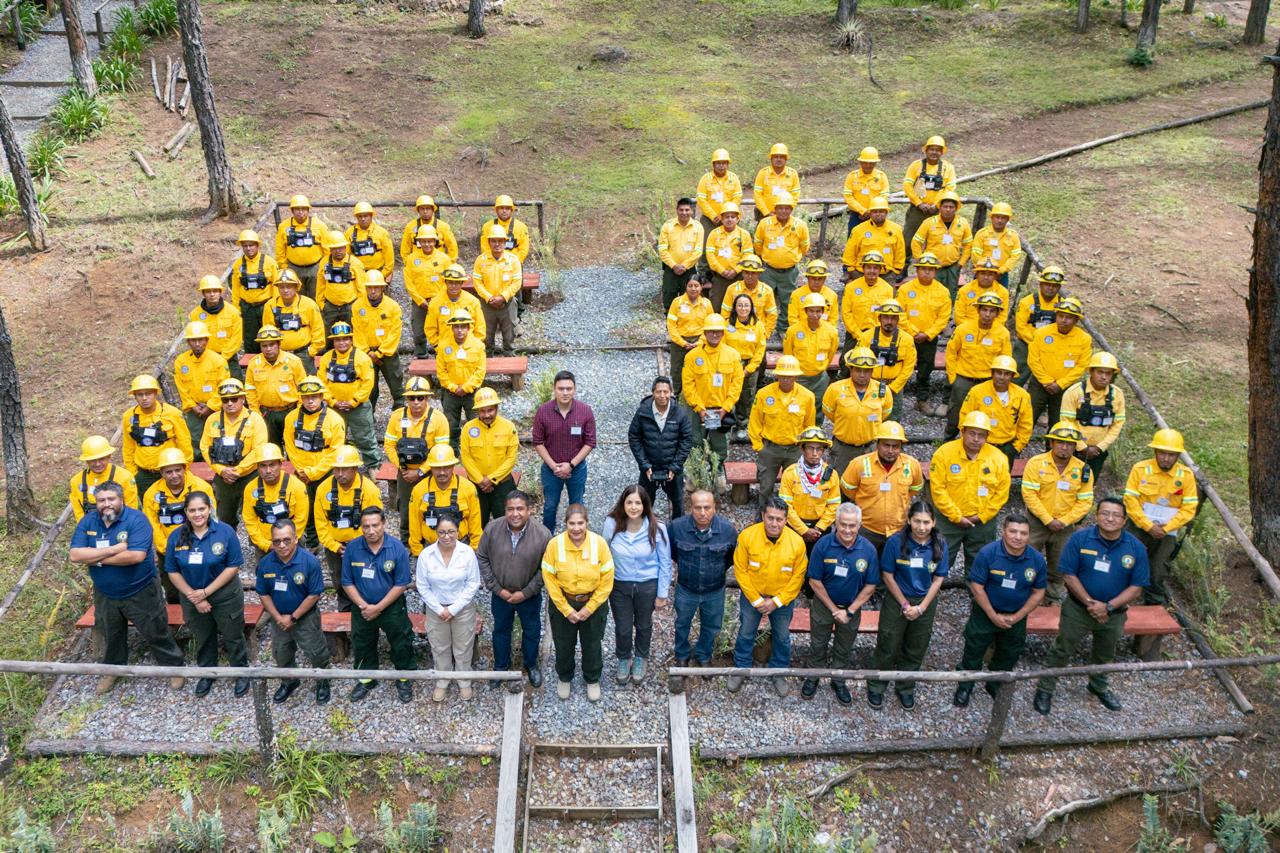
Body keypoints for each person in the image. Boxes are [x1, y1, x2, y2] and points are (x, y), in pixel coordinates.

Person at [1033, 498, 1150, 714]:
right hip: (1078, 609)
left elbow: (1137, 587)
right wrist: (1091, 604)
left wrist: (1108, 607)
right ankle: (1045, 688)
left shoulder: (1135, 547)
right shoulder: (1080, 538)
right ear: (1097, 516)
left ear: (1124, 520)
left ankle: (1098, 686)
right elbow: (1068, 574)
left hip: (1114, 614)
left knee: (1105, 652)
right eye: (1105, 513)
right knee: (1062, 649)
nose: (1110, 518)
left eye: (1116, 515)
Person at [68, 481, 186, 696]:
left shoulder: (137, 520)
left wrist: (94, 558)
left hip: (140, 590)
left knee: (155, 630)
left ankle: (174, 667)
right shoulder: (89, 521)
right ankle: (113, 670)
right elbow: (75, 554)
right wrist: (114, 550)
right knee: (111, 632)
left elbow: (135, 556)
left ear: (121, 499)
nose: (106, 504)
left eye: (111, 499)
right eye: (101, 500)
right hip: (105, 592)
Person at [952, 514, 1046, 707]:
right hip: (985, 613)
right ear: (1003, 531)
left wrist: (1017, 616)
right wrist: (992, 615)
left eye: (1023, 533)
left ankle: (995, 684)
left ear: (1029, 535)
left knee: (1009, 652)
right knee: (974, 650)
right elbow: (977, 587)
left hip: (1016, 616)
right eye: (1013, 531)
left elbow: (1038, 592)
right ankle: (965, 685)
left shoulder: (1036, 559)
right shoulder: (988, 553)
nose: (1018, 537)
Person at [164, 492, 249, 698]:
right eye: (192, 510)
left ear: (209, 509)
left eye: (201, 509)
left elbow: (233, 566)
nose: (197, 514)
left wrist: (205, 593)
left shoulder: (225, 532)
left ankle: (241, 672)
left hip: (225, 595)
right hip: (191, 596)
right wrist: (194, 596)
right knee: (203, 636)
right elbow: (172, 571)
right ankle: (207, 672)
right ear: (186, 512)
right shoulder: (176, 536)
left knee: (233, 635)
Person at [867, 501, 948, 708]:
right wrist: (904, 604)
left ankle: (906, 686)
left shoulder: (940, 543)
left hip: (925, 601)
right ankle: (877, 685)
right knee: (888, 642)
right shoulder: (895, 542)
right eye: (917, 521)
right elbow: (887, 575)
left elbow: (938, 578)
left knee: (916, 645)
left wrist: (921, 608)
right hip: (897, 599)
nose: (922, 527)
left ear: (934, 522)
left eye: (926, 522)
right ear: (909, 520)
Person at [727, 498, 807, 696]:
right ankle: (741, 668)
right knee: (746, 633)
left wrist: (777, 601)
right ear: (763, 516)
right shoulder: (747, 537)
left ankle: (778, 671)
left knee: (782, 636)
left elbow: (798, 577)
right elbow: (740, 570)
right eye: (770, 518)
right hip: (752, 597)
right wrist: (756, 600)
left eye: (779, 519)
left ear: (786, 520)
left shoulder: (797, 543)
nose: (774, 523)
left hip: (782, 600)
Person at [802, 503, 879, 704]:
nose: (847, 530)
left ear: (859, 525)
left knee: (844, 646)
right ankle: (814, 674)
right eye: (843, 524)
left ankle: (839, 678)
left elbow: (871, 585)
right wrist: (834, 609)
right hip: (824, 606)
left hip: (852, 608)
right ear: (836, 523)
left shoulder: (868, 550)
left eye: (852, 525)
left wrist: (850, 611)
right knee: (818, 643)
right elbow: (814, 581)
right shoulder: (823, 545)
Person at [478, 490, 553, 687]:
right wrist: (497, 589)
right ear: (505, 510)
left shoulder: (543, 534)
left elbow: (546, 567)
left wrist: (526, 592)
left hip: (529, 595)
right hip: (500, 594)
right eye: (510, 509)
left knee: (532, 630)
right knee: (501, 630)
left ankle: (531, 665)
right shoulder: (492, 529)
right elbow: (482, 557)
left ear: (530, 510)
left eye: (520, 509)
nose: (515, 514)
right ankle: (500, 667)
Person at [340, 506, 415, 703]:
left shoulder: (397, 548)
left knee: (401, 641)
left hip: (391, 607)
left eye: (375, 525)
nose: (371, 530)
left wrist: (378, 608)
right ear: (361, 527)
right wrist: (364, 606)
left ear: (384, 524)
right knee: (362, 642)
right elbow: (347, 582)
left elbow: (401, 583)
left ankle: (404, 678)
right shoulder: (352, 549)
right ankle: (366, 679)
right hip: (362, 608)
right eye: (366, 526)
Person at [541, 503, 615, 701]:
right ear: (565, 523)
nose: (576, 528)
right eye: (571, 523)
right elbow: (549, 579)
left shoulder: (599, 544)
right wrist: (566, 609)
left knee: (592, 642)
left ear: (587, 523)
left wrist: (589, 609)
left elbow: (607, 579)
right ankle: (565, 677)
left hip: (593, 601)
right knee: (563, 642)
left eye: (580, 523)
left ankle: (592, 678)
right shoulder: (554, 545)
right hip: (564, 601)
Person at [257, 519, 332, 704]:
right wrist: (278, 618)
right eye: (277, 541)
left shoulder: (310, 562)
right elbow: (263, 594)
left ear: (296, 539)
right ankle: (289, 681)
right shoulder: (265, 564)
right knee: (280, 653)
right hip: (279, 618)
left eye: (286, 540)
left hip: (305, 618)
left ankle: (323, 681)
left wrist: (293, 617)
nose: (282, 545)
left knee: (316, 652)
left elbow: (314, 594)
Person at [602, 486, 671, 685]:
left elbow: (665, 562)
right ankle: (624, 658)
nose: (633, 507)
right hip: (619, 586)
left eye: (638, 503)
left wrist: (662, 594)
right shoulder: (611, 523)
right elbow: (603, 552)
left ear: (645, 505)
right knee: (623, 627)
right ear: (623, 504)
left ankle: (641, 656)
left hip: (647, 586)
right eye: (629, 502)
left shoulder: (657, 528)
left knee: (643, 624)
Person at [1123, 429, 1199, 604]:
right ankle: (1119, 595)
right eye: (1162, 453)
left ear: (1178, 455)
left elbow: (1189, 508)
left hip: (1168, 530)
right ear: (1155, 452)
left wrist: (1166, 528)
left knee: (1159, 567)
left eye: (1171, 455)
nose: (1166, 458)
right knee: (1126, 559)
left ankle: (1153, 602)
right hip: (1139, 525)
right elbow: (1130, 500)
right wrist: (1148, 526)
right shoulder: (1140, 469)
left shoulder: (1186, 476)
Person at [929, 410, 1011, 572]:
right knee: (938, 560)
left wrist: (981, 516)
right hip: (948, 520)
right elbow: (938, 489)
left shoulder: (998, 458)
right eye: (972, 433)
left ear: (987, 436)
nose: (976, 439)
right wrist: (956, 516)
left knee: (979, 565)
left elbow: (1001, 493)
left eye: (981, 435)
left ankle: (975, 590)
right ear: (962, 432)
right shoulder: (944, 454)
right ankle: (931, 589)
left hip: (982, 523)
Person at [1022, 422, 1094, 603]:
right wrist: (1047, 519)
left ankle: (1051, 598)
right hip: (1037, 522)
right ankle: (1024, 595)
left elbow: (1085, 501)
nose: (1064, 447)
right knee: (1027, 559)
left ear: (1075, 446)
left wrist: (1064, 521)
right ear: (1051, 443)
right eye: (1060, 442)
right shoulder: (1035, 463)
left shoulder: (1083, 470)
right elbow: (1029, 494)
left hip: (1064, 526)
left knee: (1059, 565)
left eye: (1069, 444)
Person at [416, 509, 481, 702]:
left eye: (451, 532)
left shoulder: (467, 553)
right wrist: (439, 609)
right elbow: (422, 585)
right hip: (435, 609)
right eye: (442, 532)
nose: (446, 536)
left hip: (462, 608)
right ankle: (442, 679)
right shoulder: (426, 555)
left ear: (458, 531)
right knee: (439, 646)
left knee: (463, 646)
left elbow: (473, 583)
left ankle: (464, 680)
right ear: (436, 532)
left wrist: (453, 609)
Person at [669, 490, 737, 671]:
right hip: (686, 589)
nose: (702, 512)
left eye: (707, 507)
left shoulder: (728, 531)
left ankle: (703, 655)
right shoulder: (676, 528)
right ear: (691, 508)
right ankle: (682, 655)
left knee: (712, 626)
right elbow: (673, 553)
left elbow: (731, 558)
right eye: (697, 508)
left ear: (715, 507)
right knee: (682, 624)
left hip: (714, 590)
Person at [315, 445, 383, 612]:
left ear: (355, 468)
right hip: (335, 548)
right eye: (336, 469)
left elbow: (375, 524)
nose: (340, 474)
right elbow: (321, 523)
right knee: (339, 580)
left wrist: (357, 546)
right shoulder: (323, 489)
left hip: (364, 546)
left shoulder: (369, 490)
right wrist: (334, 546)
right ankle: (345, 611)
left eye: (344, 469)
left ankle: (367, 609)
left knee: (365, 577)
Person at [142, 447, 216, 599]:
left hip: (200, 546)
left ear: (185, 468)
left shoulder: (202, 487)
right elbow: (151, 525)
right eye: (168, 472)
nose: (174, 475)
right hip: (168, 550)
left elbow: (212, 518)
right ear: (161, 473)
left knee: (204, 584)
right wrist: (166, 548)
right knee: (172, 590)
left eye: (177, 470)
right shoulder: (151, 494)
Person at [839, 421, 924, 552]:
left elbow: (915, 489)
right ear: (877, 444)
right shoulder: (858, 464)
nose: (890, 451)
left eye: (895, 446)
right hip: (866, 530)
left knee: (893, 564)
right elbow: (848, 489)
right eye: (886, 445)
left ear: (901, 446)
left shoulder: (912, 465)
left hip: (898, 530)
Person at [384, 376, 450, 540]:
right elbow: (389, 445)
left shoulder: (439, 419)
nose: (416, 402)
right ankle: (407, 541)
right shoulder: (397, 417)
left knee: (431, 507)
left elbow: (441, 451)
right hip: (405, 473)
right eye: (412, 398)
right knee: (406, 509)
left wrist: (420, 471)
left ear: (427, 398)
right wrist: (402, 468)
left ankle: (431, 539)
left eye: (420, 398)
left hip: (430, 473)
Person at [682, 314, 743, 491]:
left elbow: (736, 384)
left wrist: (726, 408)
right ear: (705, 333)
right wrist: (699, 408)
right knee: (695, 441)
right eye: (711, 331)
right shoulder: (692, 356)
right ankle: (695, 474)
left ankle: (718, 473)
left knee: (719, 444)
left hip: (721, 410)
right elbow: (688, 385)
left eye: (718, 331)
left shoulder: (733, 355)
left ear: (723, 333)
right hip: (697, 410)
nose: (714, 334)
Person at [283, 377, 346, 550]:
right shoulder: (291, 418)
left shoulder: (334, 420)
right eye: (306, 397)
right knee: (305, 508)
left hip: (325, 473)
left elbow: (335, 451)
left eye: (314, 396)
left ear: (322, 397)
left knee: (328, 506)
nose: (310, 401)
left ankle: (333, 540)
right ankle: (311, 542)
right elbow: (289, 445)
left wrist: (314, 472)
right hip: (301, 474)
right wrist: (301, 470)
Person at [533, 370, 597, 531]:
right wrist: (554, 466)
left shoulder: (585, 411)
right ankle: (547, 539)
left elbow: (590, 442)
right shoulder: (543, 411)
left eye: (569, 388)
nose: (565, 392)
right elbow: (538, 442)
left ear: (575, 389)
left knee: (577, 506)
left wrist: (571, 465)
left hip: (577, 469)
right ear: (554, 389)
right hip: (550, 469)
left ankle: (577, 536)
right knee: (549, 506)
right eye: (561, 388)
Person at [748, 354, 815, 506]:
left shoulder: (807, 396)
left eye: (790, 376)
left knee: (795, 487)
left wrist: (805, 448)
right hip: (770, 449)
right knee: (765, 487)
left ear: (796, 376)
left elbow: (809, 426)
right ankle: (762, 516)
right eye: (782, 376)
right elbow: (755, 422)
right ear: (777, 375)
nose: (786, 379)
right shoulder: (764, 394)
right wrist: (759, 447)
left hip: (795, 450)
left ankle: (791, 517)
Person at [944, 292, 1012, 439]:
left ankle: (982, 445)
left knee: (984, 416)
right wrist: (953, 378)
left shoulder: (1003, 334)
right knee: (955, 415)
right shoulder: (963, 329)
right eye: (984, 310)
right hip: (963, 380)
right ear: (978, 310)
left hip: (987, 382)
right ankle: (948, 442)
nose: (987, 314)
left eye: (992, 311)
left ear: (997, 313)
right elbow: (951, 353)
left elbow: (1005, 360)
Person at [202, 378, 267, 526]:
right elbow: (205, 447)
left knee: (257, 516)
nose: (229, 403)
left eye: (234, 399)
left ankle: (256, 540)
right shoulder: (212, 419)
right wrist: (221, 470)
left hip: (250, 476)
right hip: (223, 477)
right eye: (225, 400)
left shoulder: (255, 419)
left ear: (243, 398)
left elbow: (259, 449)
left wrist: (238, 470)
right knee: (224, 518)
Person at [628, 376, 694, 519]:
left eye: (665, 392)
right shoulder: (642, 412)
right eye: (658, 392)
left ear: (671, 392)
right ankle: (644, 527)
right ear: (653, 392)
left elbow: (686, 440)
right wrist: (644, 464)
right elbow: (634, 437)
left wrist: (675, 466)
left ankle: (677, 529)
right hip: (649, 468)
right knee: (643, 503)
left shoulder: (680, 413)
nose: (662, 395)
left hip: (673, 468)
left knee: (678, 503)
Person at [315, 322, 379, 467]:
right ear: (333, 341)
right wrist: (332, 401)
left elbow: (368, 383)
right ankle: (335, 466)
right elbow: (321, 383)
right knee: (334, 437)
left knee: (365, 438)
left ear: (351, 340)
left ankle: (373, 466)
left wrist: (354, 401)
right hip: (334, 408)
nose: (342, 342)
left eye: (345, 339)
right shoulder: (326, 358)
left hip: (359, 407)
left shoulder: (362, 358)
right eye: (338, 339)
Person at [825, 348, 893, 479]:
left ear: (872, 371)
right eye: (858, 370)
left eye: (866, 371)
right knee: (838, 482)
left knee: (869, 483)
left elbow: (884, 414)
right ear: (851, 370)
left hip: (870, 449)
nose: (862, 374)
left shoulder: (884, 391)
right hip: (843, 450)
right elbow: (829, 413)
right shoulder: (835, 389)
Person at [121, 373, 192, 498]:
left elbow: (184, 442)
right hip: (144, 475)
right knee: (148, 505)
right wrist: (133, 472)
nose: (144, 398)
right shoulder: (128, 416)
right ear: (135, 396)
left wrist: (183, 469)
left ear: (155, 393)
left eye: (148, 393)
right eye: (140, 394)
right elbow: (128, 446)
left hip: (170, 472)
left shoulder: (172, 413)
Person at [897, 253, 953, 410]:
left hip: (929, 338)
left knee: (925, 369)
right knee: (898, 365)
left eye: (931, 269)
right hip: (906, 336)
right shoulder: (905, 289)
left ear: (935, 271)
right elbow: (899, 313)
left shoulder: (942, 291)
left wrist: (928, 334)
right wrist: (913, 332)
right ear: (917, 270)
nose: (927, 272)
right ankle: (894, 397)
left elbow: (943, 317)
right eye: (923, 269)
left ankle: (922, 399)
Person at [753, 190, 810, 342]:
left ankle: (783, 328)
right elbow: (758, 245)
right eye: (780, 208)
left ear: (791, 209)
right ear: (775, 209)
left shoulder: (800, 225)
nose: (783, 211)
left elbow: (804, 247)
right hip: (768, 270)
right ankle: (761, 328)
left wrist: (791, 258)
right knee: (763, 299)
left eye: (787, 208)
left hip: (789, 272)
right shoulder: (765, 224)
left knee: (787, 301)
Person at [1061, 351, 1126, 481]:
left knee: (1090, 483)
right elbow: (1066, 422)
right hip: (1072, 448)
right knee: (1067, 482)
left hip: (1098, 452)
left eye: (1108, 373)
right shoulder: (1074, 392)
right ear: (1091, 371)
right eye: (1100, 372)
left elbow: (1117, 425)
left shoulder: (1117, 395)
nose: (1104, 377)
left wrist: (1100, 447)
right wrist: (1081, 447)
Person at [1027, 296, 1092, 427]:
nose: (1063, 320)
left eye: (1069, 317)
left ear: (1076, 320)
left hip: (1065, 389)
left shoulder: (1084, 339)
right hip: (1039, 385)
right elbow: (1033, 360)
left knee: (1058, 424)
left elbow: (1082, 366)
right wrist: (1046, 381)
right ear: (1056, 316)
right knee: (1028, 419)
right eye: (1061, 316)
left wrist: (1061, 384)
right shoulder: (1042, 333)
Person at [957, 355, 1033, 465]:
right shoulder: (977, 392)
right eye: (999, 372)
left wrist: (1016, 447)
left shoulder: (1022, 396)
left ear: (1012, 376)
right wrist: (968, 442)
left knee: (1002, 475)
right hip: (980, 446)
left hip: (1007, 448)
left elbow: (1026, 425)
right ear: (992, 373)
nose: (1002, 377)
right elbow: (964, 417)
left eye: (1006, 374)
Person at [408, 444, 483, 555]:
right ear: (430, 467)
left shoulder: (468, 488)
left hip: (461, 546)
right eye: (437, 468)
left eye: (446, 467)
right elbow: (414, 524)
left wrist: (473, 551)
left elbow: (475, 523)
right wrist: (418, 553)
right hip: (430, 548)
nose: (442, 472)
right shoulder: (419, 490)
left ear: (453, 466)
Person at [461, 387, 520, 525]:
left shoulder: (509, 427)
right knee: (476, 523)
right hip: (477, 485)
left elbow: (511, 459)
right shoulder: (468, 429)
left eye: (490, 410)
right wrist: (480, 480)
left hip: (502, 485)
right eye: (482, 411)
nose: (486, 415)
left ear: (497, 408)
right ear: (477, 410)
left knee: (506, 522)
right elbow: (466, 457)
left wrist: (491, 479)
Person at [173, 321, 230, 462]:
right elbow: (181, 388)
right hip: (194, 411)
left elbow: (223, 386)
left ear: (207, 340)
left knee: (218, 438)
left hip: (215, 409)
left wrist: (210, 406)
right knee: (195, 440)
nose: (197, 344)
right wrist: (193, 406)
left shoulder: (218, 361)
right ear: (188, 342)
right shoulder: (181, 362)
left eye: (200, 340)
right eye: (193, 340)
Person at [778, 426, 841, 550]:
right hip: (794, 527)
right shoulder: (790, 473)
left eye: (819, 449)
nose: (815, 453)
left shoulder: (832, 475)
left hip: (821, 530)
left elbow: (834, 505)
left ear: (823, 451)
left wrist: (819, 528)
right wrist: (803, 530)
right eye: (810, 448)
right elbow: (785, 505)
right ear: (802, 448)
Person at [240, 443, 308, 556]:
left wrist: (285, 543)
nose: (268, 470)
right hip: (264, 540)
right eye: (263, 466)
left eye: (272, 465)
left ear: (280, 464)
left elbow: (301, 519)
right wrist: (265, 544)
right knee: (264, 566)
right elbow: (249, 520)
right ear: (257, 467)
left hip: (290, 539)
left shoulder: (297, 486)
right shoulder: (250, 488)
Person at [244, 326, 308, 445]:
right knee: (270, 448)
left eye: (271, 345)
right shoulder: (253, 364)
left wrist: (299, 411)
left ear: (279, 344)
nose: (268, 349)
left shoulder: (294, 361)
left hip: (290, 411)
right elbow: (250, 390)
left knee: (294, 445)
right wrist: (256, 412)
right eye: (264, 345)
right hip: (267, 414)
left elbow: (303, 388)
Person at [351, 270, 403, 411]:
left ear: (382, 288)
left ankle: (400, 415)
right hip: (366, 355)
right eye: (370, 287)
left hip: (388, 354)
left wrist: (379, 353)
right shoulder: (357, 306)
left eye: (376, 287)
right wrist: (367, 352)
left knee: (396, 386)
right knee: (369, 388)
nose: (373, 291)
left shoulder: (393, 307)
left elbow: (395, 333)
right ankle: (369, 417)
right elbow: (357, 332)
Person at [856, 300, 917, 420]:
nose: (889, 321)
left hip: (894, 387)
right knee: (867, 417)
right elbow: (857, 362)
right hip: (869, 385)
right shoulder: (866, 337)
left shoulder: (907, 340)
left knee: (892, 419)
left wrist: (893, 388)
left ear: (898, 320)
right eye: (886, 317)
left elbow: (908, 367)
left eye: (893, 318)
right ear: (879, 318)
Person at [783, 293, 838, 424]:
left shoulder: (831, 332)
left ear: (823, 312)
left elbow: (831, 354)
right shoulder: (793, 331)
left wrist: (821, 368)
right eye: (811, 311)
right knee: (796, 405)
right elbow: (788, 354)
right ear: (806, 311)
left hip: (820, 378)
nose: (815, 314)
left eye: (818, 311)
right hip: (799, 378)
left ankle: (816, 430)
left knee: (818, 405)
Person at [437, 310, 488, 450]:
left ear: (468, 328)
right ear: (452, 328)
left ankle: (475, 450)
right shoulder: (443, 346)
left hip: (471, 393)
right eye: (456, 327)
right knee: (450, 425)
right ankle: (453, 451)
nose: (460, 330)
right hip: (450, 393)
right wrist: (453, 388)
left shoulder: (478, 346)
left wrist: (466, 388)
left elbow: (480, 371)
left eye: (463, 327)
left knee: (476, 423)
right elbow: (441, 372)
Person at [901, 135, 957, 260]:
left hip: (938, 211)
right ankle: (904, 265)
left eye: (938, 150)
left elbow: (950, 188)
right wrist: (919, 203)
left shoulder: (948, 168)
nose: (934, 152)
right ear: (926, 150)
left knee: (936, 239)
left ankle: (934, 265)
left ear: (942, 152)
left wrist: (937, 205)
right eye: (932, 149)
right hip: (917, 210)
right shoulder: (915, 165)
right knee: (908, 238)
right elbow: (907, 185)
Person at [404, 225, 455, 357]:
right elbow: (409, 283)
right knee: (418, 331)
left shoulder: (444, 259)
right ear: (419, 242)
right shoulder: (411, 259)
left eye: (430, 241)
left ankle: (443, 354)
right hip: (419, 302)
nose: (427, 244)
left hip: (440, 301)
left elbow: (449, 281)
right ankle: (421, 355)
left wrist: (438, 299)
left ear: (435, 241)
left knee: (443, 328)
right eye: (424, 241)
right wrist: (420, 301)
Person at [910, 190, 972, 296]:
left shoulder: (963, 223)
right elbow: (916, 242)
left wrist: (960, 263)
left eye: (951, 207)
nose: (948, 209)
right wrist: (921, 262)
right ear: (940, 207)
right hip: (932, 266)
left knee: (950, 294)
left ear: (956, 208)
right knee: (931, 293)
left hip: (953, 267)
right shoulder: (929, 223)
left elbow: (968, 244)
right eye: (945, 206)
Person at [473, 223, 523, 354]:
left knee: (509, 333)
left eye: (500, 241)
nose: (497, 244)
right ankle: (487, 358)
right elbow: (477, 282)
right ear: (489, 242)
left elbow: (517, 282)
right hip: (487, 304)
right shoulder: (481, 260)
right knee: (486, 334)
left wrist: (503, 297)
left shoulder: (513, 260)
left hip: (507, 303)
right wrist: (489, 298)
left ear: (505, 242)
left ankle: (509, 356)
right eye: (493, 241)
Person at [724, 295, 767, 441]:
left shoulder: (758, 326)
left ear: (751, 308)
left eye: (746, 305)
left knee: (746, 396)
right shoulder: (727, 324)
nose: (743, 308)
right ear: (735, 307)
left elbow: (760, 350)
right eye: (740, 305)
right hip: (730, 365)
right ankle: (725, 423)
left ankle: (742, 425)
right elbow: (722, 345)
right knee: (727, 393)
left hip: (749, 366)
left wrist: (749, 369)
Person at [263, 269, 325, 371]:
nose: (285, 290)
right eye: (282, 287)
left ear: (296, 287)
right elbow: (267, 332)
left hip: (303, 354)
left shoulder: (309, 304)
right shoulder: (269, 305)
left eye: (289, 286)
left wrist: (312, 351)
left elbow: (318, 329)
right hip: (280, 355)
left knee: (307, 380)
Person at [1013, 265, 1064, 384]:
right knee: (1016, 377)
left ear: (1059, 287)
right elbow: (1020, 327)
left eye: (1054, 286)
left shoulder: (1063, 305)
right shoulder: (1026, 302)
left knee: (1047, 380)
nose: (1050, 288)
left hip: (1052, 348)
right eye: (1047, 284)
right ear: (1041, 284)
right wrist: (1036, 343)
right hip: (1026, 346)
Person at [229, 229, 278, 354]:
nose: (248, 248)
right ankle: (252, 362)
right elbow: (235, 288)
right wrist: (236, 308)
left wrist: (275, 306)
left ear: (257, 245)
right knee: (250, 339)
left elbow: (276, 285)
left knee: (269, 336)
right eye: (245, 246)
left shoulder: (270, 262)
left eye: (251, 245)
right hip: (248, 308)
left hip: (266, 306)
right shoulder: (238, 265)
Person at [274, 194, 330, 300]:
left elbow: (327, 249)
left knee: (317, 296)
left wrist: (323, 267)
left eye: (303, 209)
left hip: (315, 268)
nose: (300, 212)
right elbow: (280, 249)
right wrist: (284, 267)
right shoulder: (284, 226)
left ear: (308, 210)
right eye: (297, 209)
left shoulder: (319, 225)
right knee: (296, 297)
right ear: (292, 210)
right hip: (293, 268)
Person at [71, 435, 139, 521]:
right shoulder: (77, 481)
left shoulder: (124, 477)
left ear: (109, 456)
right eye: (93, 460)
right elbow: (79, 512)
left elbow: (131, 509)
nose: (97, 464)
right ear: (86, 461)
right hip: (90, 526)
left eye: (101, 459)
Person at [667, 275, 713, 397]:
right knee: (676, 369)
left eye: (696, 286)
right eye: (690, 286)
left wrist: (699, 342)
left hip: (699, 341)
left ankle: (697, 394)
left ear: (701, 287)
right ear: (686, 287)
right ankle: (677, 394)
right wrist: (682, 342)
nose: (693, 289)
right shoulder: (677, 303)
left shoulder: (707, 304)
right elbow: (671, 325)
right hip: (679, 342)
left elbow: (710, 326)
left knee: (699, 368)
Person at [424, 264, 487, 354]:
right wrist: (438, 346)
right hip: (445, 350)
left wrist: (473, 346)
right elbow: (430, 328)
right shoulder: (435, 303)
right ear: (445, 282)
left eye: (457, 282)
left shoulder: (473, 302)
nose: (453, 286)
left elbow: (480, 328)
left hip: (469, 350)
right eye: (450, 282)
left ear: (462, 283)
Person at [191, 275, 243, 380]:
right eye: (208, 291)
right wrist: (209, 358)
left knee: (236, 386)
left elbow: (236, 339)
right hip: (206, 359)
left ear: (220, 292)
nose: (212, 294)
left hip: (229, 358)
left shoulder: (233, 312)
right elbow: (195, 339)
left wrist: (223, 357)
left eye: (215, 291)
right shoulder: (195, 315)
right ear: (203, 293)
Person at [315, 231, 367, 335]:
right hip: (330, 307)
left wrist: (358, 306)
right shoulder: (324, 262)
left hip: (349, 306)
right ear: (330, 249)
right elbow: (320, 285)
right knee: (328, 334)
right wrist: (321, 304)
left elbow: (362, 288)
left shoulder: (355, 263)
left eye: (340, 248)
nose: (338, 251)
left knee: (353, 334)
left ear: (345, 247)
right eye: (334, 248)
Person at [703, 201, 753, 309]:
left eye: (732, 217)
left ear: (737, 219)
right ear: (721, 218)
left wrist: (736, 270)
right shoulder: (714, 234)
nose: (729, 219)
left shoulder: (744, 235)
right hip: (719, 277)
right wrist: (722, 271)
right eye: (726, 217)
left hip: (739, 277)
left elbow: (747, 255)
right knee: (716, 306)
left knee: (739, 306)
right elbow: (710, 256)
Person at [659, 197, 706, 311]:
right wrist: (674, 265)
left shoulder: (698, 227)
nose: (684, 213)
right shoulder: (668, 226)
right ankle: (670, 321)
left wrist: (684, 266)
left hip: (689, 270)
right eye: (681, 210)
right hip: (671, 269)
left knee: (690, 299)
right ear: (677, 210)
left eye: (687, 210)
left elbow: (698, 250)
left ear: (692, 211)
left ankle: (687, 321)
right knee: (669, 299)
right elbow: (662, 249)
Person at [719, 254, 778, 343]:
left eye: (753, 273)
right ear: (742, 273)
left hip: (757, 333)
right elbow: (725, 314)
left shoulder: (767, 291)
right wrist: (730, 332)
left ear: (759, 274)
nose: (749, 276)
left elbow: (772, 315)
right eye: (747, 272)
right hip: (736, 333)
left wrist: (766, 334)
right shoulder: (732, 289)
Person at [838, 251, 892, 344]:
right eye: (868, 267)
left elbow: (888, 316)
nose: (872, 271)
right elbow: (846, 313)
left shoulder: (888, 289)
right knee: (848, 354)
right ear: (863, 268)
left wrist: (876, 335)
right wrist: (858, 334)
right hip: (854, 335)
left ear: (880, 269)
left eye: (875, 268)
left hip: (878, 336)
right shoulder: (851, 287)